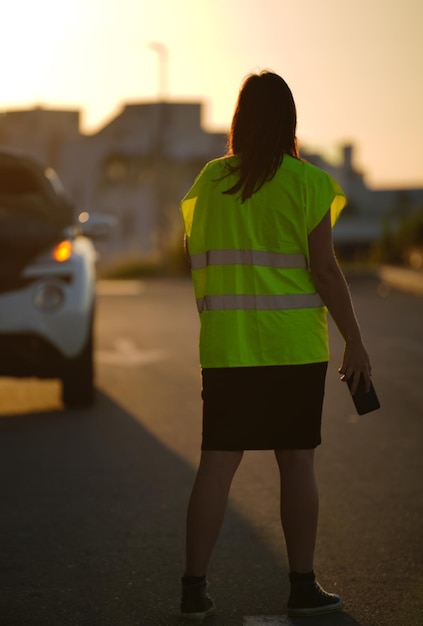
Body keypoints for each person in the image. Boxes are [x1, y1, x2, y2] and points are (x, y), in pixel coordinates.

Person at [179, 70, 372, 620]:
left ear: (239, 120)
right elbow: (327, 273)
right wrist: (354, 341)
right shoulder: (306, 184)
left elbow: (195, 249)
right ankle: (301, 586)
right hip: (292, 349)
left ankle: (193, 590)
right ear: (290, 121)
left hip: (227, 348)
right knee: (296, 464)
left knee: (216, 465)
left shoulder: (208, 182)